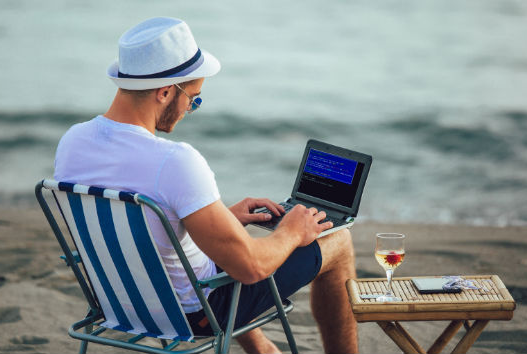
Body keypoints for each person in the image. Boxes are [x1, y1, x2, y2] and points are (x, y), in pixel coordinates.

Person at [54, 17, 358, 354]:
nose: (190, 110)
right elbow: (252, 268)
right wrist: (291, 231)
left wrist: (222, 218)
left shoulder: (72, 143)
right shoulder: (174, 160)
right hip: (193, 316)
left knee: (222, 246)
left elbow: (139, 228)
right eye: (193, 99)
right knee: (338, 240)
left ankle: (263, 350)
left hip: (118, 302)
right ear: (166, 92)